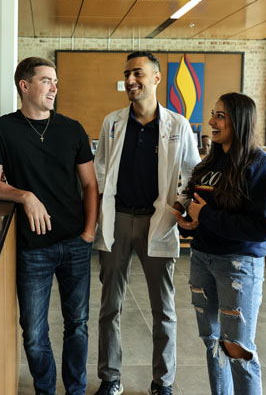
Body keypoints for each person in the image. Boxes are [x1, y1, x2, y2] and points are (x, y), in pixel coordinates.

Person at [0, 57, 98, 395]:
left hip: (75, 242)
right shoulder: (1, 129)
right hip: (33, 248)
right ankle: (45, 390)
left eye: (55, 81)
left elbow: (90, 185)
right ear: (24, 86)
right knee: (33, 330)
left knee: (78, 325)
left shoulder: (72, 128)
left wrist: (88, 233)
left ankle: (75, 390)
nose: (54, 87)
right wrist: (25, 195)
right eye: (46, 80)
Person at [94, 51, 200, 395]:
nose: (130, 80)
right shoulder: (112, 122)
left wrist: (177, 209)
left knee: (164, 309)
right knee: (110, 305)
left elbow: (191, 173)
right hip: (118, 220)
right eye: (126, 74)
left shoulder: (177, 125)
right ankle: (110, 378)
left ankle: (163, 382)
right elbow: (99, 171)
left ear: (156, 78)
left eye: (137, 73)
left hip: (158, 221)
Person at [174, 93, 266, 395]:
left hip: (238, 266)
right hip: (202, 258)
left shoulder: (261, 166)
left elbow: (260, 228)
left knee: (237, 347)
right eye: (213, 114)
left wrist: (205, 214)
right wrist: (190, 222)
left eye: (220, 116)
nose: (211, 122)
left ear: (240, 121)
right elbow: (199, 205)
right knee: (211, 340)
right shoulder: (213, 160)